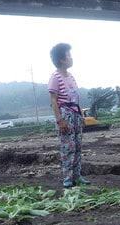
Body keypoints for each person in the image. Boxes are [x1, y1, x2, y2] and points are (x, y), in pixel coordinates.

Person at [48, 43, 89, 188]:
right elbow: (53, 100)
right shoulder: (55, 77)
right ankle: (67, 178)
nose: (71, 58)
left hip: (76, 113)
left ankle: (77, 176)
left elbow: (76, 98)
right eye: (69, 55)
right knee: (68, 147)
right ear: (61, 60)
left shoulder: (71, 76)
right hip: (65, 115)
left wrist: (82, 115)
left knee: (78, 146)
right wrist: (60, 121)